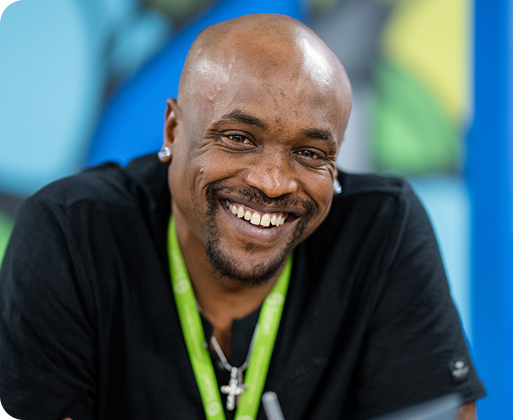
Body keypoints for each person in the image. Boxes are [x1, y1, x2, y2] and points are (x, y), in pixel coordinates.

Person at [0, 13, 485, 420]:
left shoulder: (381, 230)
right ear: (173, 129)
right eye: (237, 138)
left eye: (311, 152)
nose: (273, 182)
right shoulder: (72, 231)